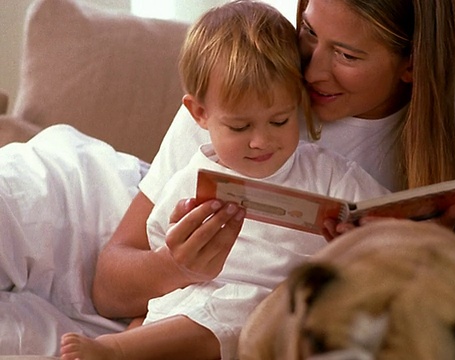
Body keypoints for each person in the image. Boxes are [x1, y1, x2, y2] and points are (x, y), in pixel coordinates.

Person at [92, 0, 455, 349]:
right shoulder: (238, 90)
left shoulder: (442, 125)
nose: (309, 69)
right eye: (309, 32)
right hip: (192, 301)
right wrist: (172, 267)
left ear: (411, 64)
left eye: (346, 54)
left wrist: (416, 253)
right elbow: (110, 287)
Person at [59, 1, 390, 359]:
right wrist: (176, 259)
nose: (261, 141)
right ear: (200, 114)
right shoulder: (194, 175)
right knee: (159, 314)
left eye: (280, 121)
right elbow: (153, 251)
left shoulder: (329, 173)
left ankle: (118, 351)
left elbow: (392, 222)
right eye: (239, 127)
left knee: (252, 307)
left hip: (264, 309)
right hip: (189, 297)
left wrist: (365, 242)